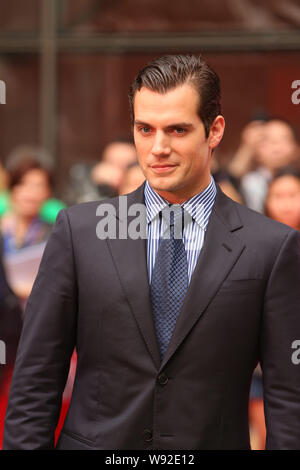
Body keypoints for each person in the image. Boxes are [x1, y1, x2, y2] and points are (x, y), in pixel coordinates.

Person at [3, 54, 300, 450]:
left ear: (214, 131)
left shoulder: (271, 246)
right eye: (145, 129)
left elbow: (288, 398)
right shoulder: (80, 232)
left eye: (177, 129)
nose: (158, 147)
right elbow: (37, 376)